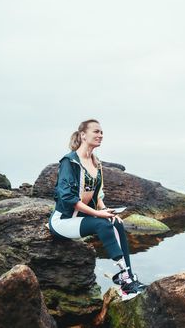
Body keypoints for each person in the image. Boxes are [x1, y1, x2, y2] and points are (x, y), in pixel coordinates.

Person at [49, 119, 146, 299]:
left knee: (115, 223)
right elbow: (68, 198)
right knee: (103, 225)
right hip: (63, 221)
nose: (101, 135)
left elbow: (98, 194)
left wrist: (107, 211)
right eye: (96, 131)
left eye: (102, 132)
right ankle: (125, 283)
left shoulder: (96, 162)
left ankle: (127, 277)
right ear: (83, 135)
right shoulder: (69, 162)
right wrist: (98, 214)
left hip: (81, 219)